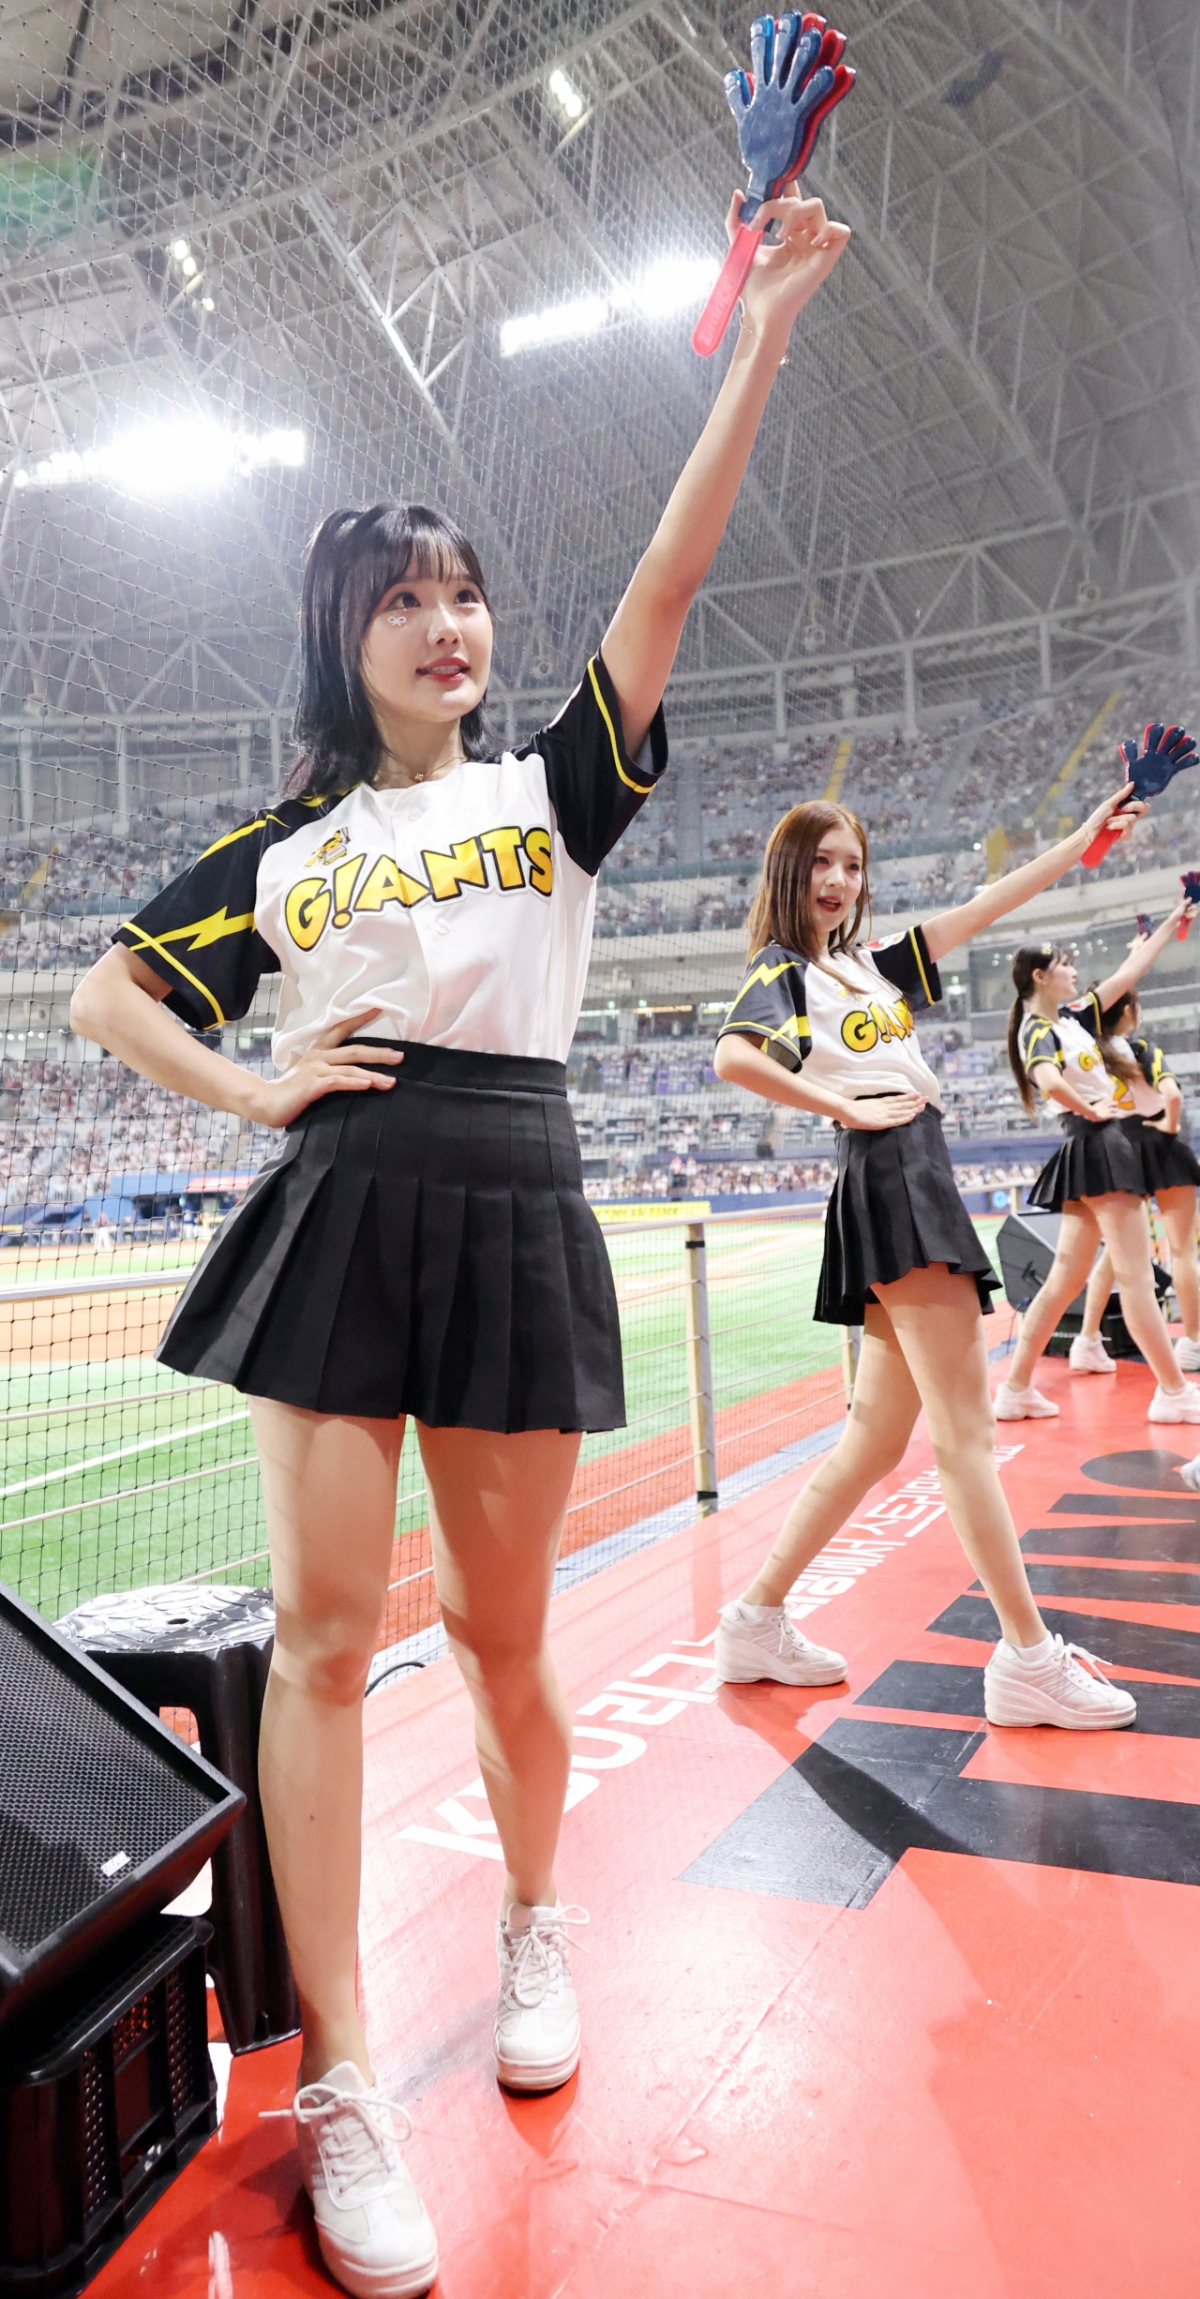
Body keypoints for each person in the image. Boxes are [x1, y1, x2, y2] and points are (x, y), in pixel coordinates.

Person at [68, 187, 852, 2299]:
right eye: (405, 599)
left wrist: (763, 335)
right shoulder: (280, 848)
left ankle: (531, 1919)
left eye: (467, 594)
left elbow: (667, 577)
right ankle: (341, 2078)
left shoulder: (551, 791)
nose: (447, 624)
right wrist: (253, 1092)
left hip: (514, 1188)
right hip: (339, 1202)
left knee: (505, 1640)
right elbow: (105, 992)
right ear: (343, 633)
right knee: (322, 1646)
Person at [710, 787, 1144, 1732]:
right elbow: (732, 1057)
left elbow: (986, 906)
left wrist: (1081, 839)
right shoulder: (785, 969)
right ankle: (1027, 1655)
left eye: (852, 864)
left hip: (909, 1165)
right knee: (966, 1434)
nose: (838, 879)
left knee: (876, 1439)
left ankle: (753, 1618)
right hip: (892, 1168)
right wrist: (844, 1107)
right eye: (821, 862)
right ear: (789, 871)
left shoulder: (867, 966)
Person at [996, 896, 1200, 1423]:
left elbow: (1130, 971)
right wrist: (1089, 1108)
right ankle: (1174, 1392)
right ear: (1040, 976)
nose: (1074, 971)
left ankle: (1015, 1389)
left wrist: (1173, 920)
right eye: (1065, 964)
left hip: (1094, 1148)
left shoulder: (1071, 1018)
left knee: (1065, 1280)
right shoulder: (1036, 1028)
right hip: (1099, 1145)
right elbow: (1047, 1079)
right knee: (1135, 1278)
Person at [1064, 979, 1200, 1376]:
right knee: (1183, 1251)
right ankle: (1193, 1342)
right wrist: (1170, 1126)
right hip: (1161, 1145)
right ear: (1127, 1011)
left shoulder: (1090, 1056)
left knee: (1117, 1253)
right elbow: (1172, 1096)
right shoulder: (1141, 1050)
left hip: (1120, 1148)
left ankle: (1088, 1340)